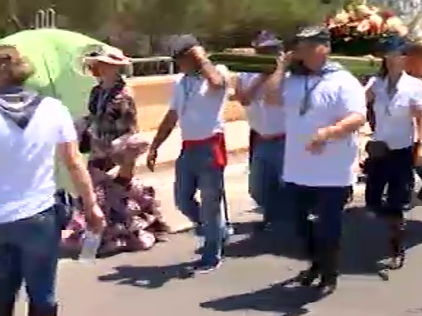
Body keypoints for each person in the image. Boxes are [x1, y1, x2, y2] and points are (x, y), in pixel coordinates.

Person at [0, 45, 106, 316]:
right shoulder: (53, 109)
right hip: (38, 217)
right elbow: (74, 162)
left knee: (3, 285)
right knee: (42, 293)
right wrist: (91, 206)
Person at [264, 26, 367, 295]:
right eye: (300, 46)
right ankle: (315, 263)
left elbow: (357, 117)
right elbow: (271, 98)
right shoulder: (292, 79)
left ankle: (329, 272)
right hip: (297, 168)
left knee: (328, 225)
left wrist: (328, 133)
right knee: (299, 224)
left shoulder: (344, 81)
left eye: (309, 46)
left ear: (325, 48)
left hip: (333, 170)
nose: (303, 51)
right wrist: (280, 67)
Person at [65, 45, 169, 257]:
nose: (95, 69)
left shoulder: (124, 95)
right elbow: (95, 118)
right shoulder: (97, 92)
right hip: (97, 150)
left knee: (112, 196)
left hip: (115, 154)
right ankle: (101, 240)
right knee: (96, 197)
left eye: (100, 65)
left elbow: (129, 131)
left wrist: (124, 161)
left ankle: (114, 239)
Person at [146, 35, 231, 272]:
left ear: (193, 56)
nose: (177, 63)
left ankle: (212, 253)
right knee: (182, 199)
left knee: (211, 203)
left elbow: (217, 84)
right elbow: (172, 116)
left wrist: (203, 60)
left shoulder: (217, 73)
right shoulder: (181, 82)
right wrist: (155, 145)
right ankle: (217, 230)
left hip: (211, 145)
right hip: (189, 147)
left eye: (181, 58)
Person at [364, 38, 422, 272]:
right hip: (379, 148)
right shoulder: (376, 83)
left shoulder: (413, 85)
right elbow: (360, 105)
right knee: (371, 200)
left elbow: (421, 119)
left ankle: (396, 247)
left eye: (400, 55)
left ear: (404, 59)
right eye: (391, 54)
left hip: (402, 150)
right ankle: (396, 216)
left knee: (394, 203)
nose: (395, 59)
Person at [233, 31, 287, 233]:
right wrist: (261, 77)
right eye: (264, 50)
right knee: (258, 188)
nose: (269, 54)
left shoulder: (287, 75)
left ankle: (282, 222)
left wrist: (275, 71)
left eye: (273, 50)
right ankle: (274, 216)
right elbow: (243, 98)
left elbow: (275, 97)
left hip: (285, 137)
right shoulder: (246, 74)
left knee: (286, 185)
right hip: (260, 137)